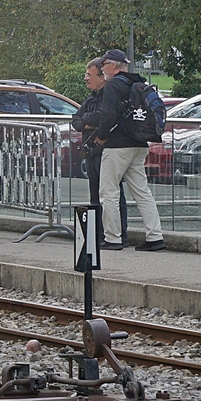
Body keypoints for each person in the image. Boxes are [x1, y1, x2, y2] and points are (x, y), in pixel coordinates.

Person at [92, 48, 165, 251]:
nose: (101, 68)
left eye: (103, 64)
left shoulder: (113, 85)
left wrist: (101, 137)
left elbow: (107, 115)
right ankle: (155, 237)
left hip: (117, 146)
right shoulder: (137, 82)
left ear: (113, 66)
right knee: (142, 191)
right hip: (139, 143)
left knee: (108, 191)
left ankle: (113, 238)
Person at [71, 56, 128, 244]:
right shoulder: (90, 98)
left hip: (105, 150)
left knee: (111, 194)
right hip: (91, 151)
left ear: (101, 76)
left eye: (89, 75)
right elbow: (76, 120)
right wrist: (88, 122)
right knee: (95, 195)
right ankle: (97, 235)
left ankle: (118, 234)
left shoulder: (108, 95)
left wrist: (88, 121)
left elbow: (103, 117)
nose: (86, 78)